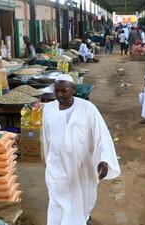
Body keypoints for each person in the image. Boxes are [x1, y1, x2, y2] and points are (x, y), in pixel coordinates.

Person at [42, 74, 120, 225]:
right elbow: (46, 138)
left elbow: (101, 134)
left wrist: (104, 159)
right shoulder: (48, 110)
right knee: (58, 202)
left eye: (64, 91)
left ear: (73, 89)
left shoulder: (87, 108)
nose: (59, 95)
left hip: (82, 166)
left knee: (83, 198)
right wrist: (48, 160)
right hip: (57, 165)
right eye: (56, 91)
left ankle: (84, 216)